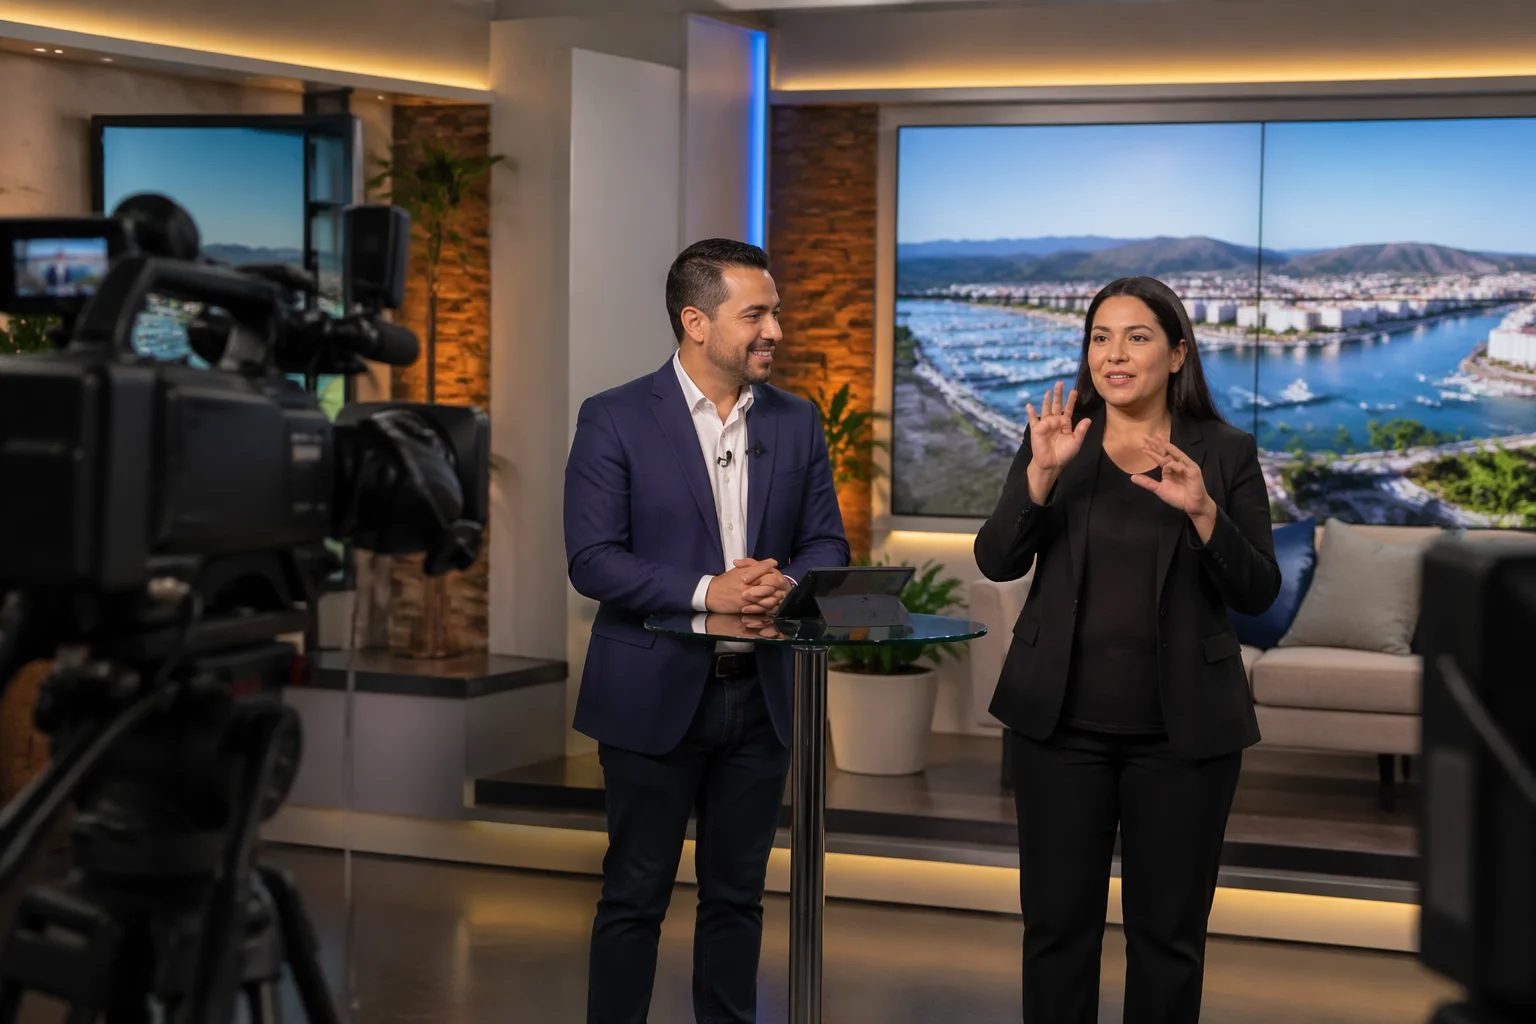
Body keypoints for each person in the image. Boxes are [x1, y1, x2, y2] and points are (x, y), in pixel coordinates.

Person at [974, 276, 1281, 1024]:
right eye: (1100, 337)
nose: (1114, 354)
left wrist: (1205, 511)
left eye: (1137, 337)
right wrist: (1039, 479)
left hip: (1184, 738)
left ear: (1177, 354)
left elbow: (1259, 593)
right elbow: (997, 561)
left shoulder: (1226, 451)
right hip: (1059, 729)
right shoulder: (1057, 438)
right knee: (1055, 933)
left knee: (1169, 939)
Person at [564, 238, 849, 1024]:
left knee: (738, 899)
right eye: (756, 314)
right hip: (653, 694)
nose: (776, 332)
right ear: (696, 321)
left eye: (776, 313)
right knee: (633, 897)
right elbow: (591, 559)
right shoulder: (614, 417)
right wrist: (708, 591)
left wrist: (782, 583)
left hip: (761, 700)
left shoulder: (796, 421)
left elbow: (828, 543)